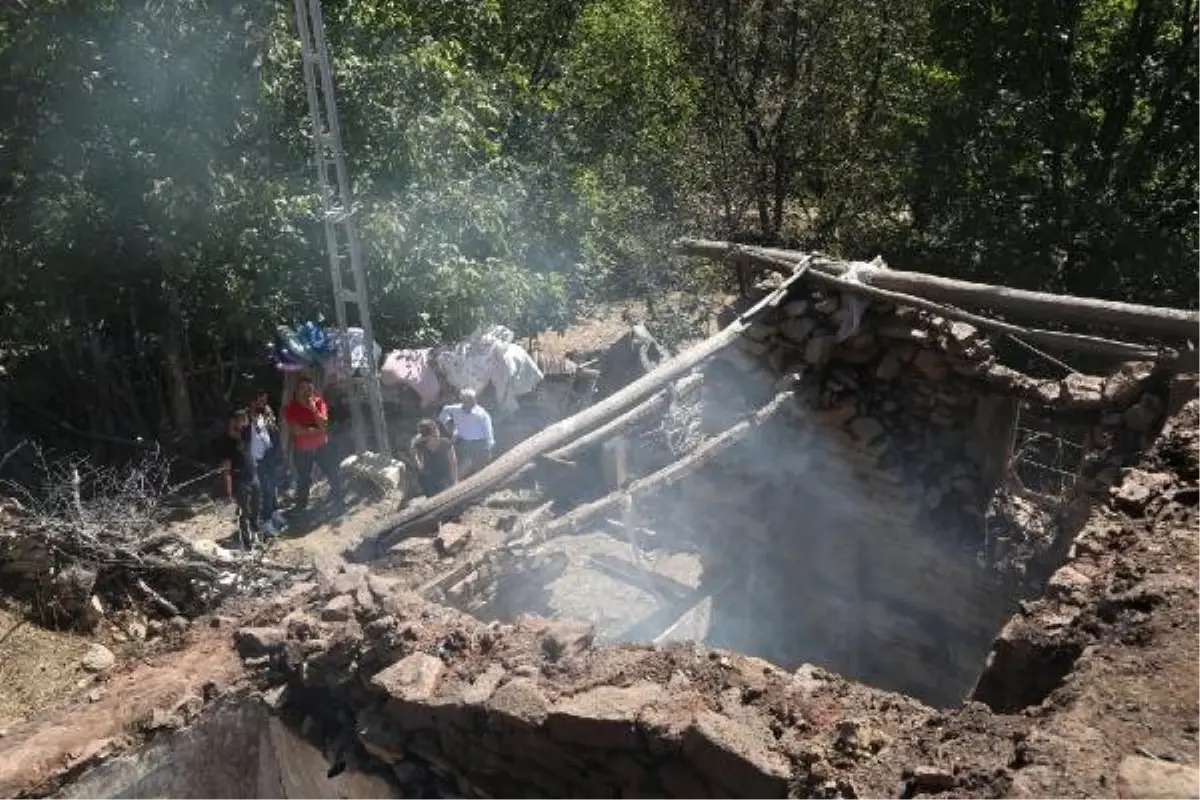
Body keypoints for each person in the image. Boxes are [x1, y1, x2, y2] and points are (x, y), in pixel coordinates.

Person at [284, 377, 345, 513]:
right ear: (296, 391)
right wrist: (318, 429)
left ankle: (339, 500)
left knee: (332, 472)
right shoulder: (290, 408)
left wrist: (313, 409)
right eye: (303, 388)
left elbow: (324, 424)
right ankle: (301, 506)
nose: (306, 392)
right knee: (303, 478)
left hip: (322, 446)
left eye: (309, 389)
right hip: (302, 450)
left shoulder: (319, 403)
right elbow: (296, 431)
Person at [216, 408, 261, 548]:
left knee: (255, 508)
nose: (245, 422)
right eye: (241, 419)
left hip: (253, 475)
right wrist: (228, 493)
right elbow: (226, 467)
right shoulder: (225, 441)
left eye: (246, 419)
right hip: (239, 479)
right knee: (243, 512)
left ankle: (255, 535)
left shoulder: (247, 434)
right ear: (233, 421)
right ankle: (246, 544)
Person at [249, 390, 287, 535]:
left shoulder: (266, 413)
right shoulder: (245, 418)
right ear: (252, 401)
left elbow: (272, 433)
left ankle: (273, 514)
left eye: (265, 400)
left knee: (273, 487)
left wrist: (277, 454)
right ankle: (265, 522)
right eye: (260, 400)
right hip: (256, 461)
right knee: (266, 490)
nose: (263, 403)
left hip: (269, 456)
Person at [437, 388, 494, 476]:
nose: (471, 403)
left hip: (478, 443)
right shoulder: (456, 409)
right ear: (462, 400)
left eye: (472, 401)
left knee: (481, 468)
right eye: (467, 401)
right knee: (463, 465)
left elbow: (488, 429)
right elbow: (445, 410)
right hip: (462, 442)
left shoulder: (481, 413)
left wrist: (489, 445)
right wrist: (447, 422)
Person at [410, 418, 458, 497]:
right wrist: (419, 465)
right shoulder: (421, 445)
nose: (437, 432)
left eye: (437, 429)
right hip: (429, 479)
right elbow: (413, 454)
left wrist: (455, 481)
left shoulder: (446, 443)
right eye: (434, 431)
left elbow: (453, 463)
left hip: (445, 477)